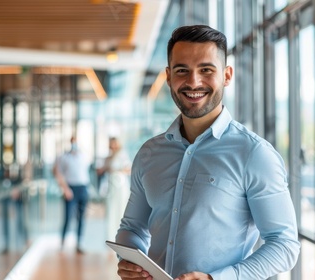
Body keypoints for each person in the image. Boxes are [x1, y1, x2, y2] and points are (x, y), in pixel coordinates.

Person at [115, 25, 300, 280]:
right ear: (168, 76)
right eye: (182, 71)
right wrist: (130, 259)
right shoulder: (149, 153)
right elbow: (133, 228)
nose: (193, 82)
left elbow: (284, 245)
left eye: (206, 70)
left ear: (227, 75)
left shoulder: (255, 155)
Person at [53, 136, 91, 254]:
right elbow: (57, 173)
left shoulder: (84, 156)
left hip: (83, 188)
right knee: (68, 217)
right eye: (73, 142)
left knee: (81, 217)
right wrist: (65, 189)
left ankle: (79, 243)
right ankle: (63, 242)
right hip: (70, 188)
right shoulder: (64, 157)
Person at [97, 137, 131, 242]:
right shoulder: (109, 157)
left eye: (114, 144)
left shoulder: (123, 155)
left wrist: (116, 170)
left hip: (120, 185)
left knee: (120, 209)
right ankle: (111, 237)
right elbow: (101, 170)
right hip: (111, 185)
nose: (113, 146)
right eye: (111, 144)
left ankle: (121, 237)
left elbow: (129, 169)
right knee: (111, 210)